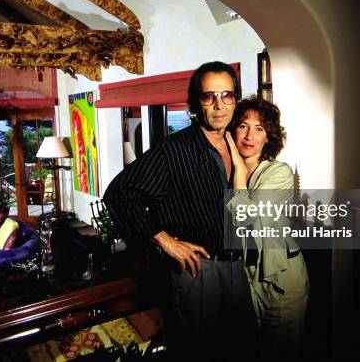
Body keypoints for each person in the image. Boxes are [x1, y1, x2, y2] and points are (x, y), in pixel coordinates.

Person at [104, 61, 257, 361]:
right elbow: (119, 195)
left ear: (235, 99)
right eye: (208, 96)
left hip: (238, 270)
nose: (218, 105)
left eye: (226, 95)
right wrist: (165, 241)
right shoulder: (174, 150)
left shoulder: (238, 144)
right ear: (196, 102)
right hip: (198, 272)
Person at [226, 97, 309, 361]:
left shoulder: (279, 173)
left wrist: (239, 168)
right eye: (243, 126)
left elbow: (245, 214)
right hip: (245, 281)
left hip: (281, 281)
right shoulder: (223, 173)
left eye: (259, 129)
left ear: (268, 137)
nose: (250, 135)